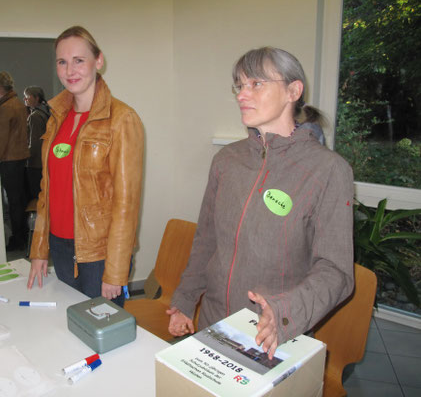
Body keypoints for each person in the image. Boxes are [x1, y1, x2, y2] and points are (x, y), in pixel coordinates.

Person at [168, 47, 355, 359]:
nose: (243, 94)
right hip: (212, 323)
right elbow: (206, 240)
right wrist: (185, 300)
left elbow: (335, 271)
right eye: (239, 85)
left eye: (256, 84)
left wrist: (285, 312)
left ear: (293, 91)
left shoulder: (329, 170)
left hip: (270, 333)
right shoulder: (227, 160)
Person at [27, 26, 144, 308]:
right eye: (62, 62)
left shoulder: (122, 119)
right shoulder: (56, 119)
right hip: (61, 246)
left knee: (101, 337)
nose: (70, 70)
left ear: (98, 61)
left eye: (79, 60)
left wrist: (116, 271)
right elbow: (47, 191)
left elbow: (126, 205)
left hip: (100, 254)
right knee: (69, 329)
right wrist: (39, 249)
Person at [0, 71, 30, 251]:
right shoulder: (17, 104)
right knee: (19, 200)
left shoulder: (6, 107)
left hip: (8, 159)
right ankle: (22, 236)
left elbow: (1, 139)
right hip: (20, 157)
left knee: (14, 202)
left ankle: (17, 240)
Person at [23, 86, 51, 200]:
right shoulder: (45, 112)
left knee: (36, 195)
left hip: (35, 163)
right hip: (44, 160)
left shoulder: (35, 116)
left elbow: (34, 142)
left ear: (36, 98)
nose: (25, 99)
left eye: (27, 97)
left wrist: (26, 157)